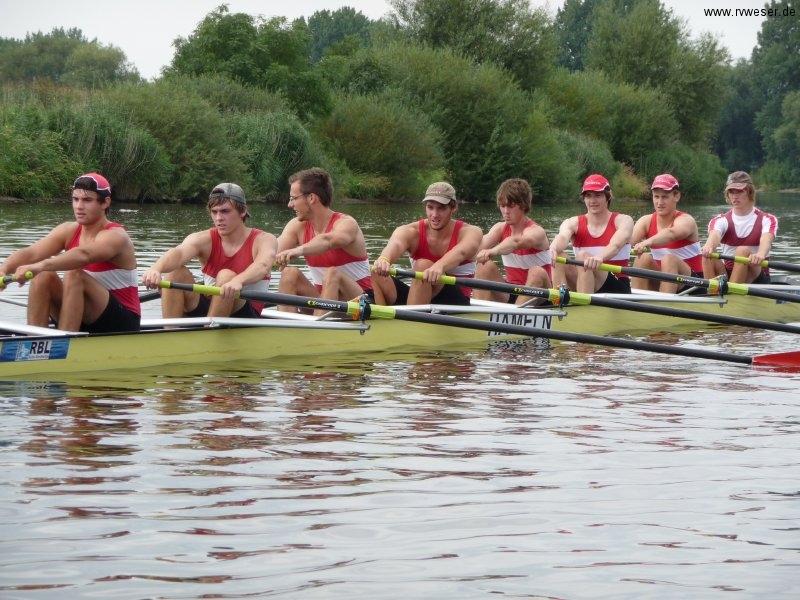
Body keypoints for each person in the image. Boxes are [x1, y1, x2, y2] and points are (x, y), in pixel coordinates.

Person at [0, 172, 140, 332]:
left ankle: (64, 340)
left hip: (122, 322)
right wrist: (4, 269)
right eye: (75, 199)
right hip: (82, 315)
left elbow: (84, 255)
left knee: (74, 274)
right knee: (43, 276)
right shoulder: (68, 230)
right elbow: (32, 253)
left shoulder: (116, 236)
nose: (79, 206)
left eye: (87, 200)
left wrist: (39, 266)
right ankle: (35, 339)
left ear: (105, 203)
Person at [141, 183, 277, 318]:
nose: (218, 218)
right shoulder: (203, 239)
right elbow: (179, 253)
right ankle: (170, 330)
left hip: (245, 314)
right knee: (174, 273)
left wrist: (238, 281)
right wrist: (156, 269)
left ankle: (209, 329)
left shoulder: (264, 239)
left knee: (226, 276)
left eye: (225, 211)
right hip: (211, 306)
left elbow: (263, 266)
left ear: (243, 211)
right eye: (214, 212)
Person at [274, 168, 373, 312]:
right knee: (289, 273)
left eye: (293, 198)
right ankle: (286, 324)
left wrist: (298, 250)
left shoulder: (346, 223)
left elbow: (327, 241)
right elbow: (271, 253)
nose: (290, 204)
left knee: (333, 273)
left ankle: (318, 323)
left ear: (311, 198)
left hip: (360, 303)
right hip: (324, 300)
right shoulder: (297, 226)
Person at [371, 181, 482, 305]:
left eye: (441, 208)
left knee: (423, 265)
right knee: (376, 271)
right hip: (421, 296)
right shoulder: (410, 231)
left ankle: (410, 316)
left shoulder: (470, 232)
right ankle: (381, 315)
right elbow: (396, 244)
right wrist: (384, 259)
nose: (434, 214)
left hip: (455, 303)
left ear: (454, 207)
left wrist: (439, 266)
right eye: (430, 207)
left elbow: (461, 252)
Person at [549, 173, 634, 294]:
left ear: (608, 196)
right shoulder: (572, 223)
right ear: (584, 198)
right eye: (588, 196)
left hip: (617, 286)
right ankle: (559, 299)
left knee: (583, 257)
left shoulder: (623, 220)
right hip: (586, 278)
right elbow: (562, 237)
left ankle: (582, 303)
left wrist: (600, 257)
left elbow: (615, 246)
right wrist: (553, 248)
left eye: (598, 195)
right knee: (558, 255)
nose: (593, 201)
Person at [473, 178, 551, 304]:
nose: (506, 211)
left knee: (536, 272)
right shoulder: (499, 228)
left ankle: (513, 314)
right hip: (512, 293)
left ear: (524, 205)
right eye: (503, 206)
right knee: (483, 266)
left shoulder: (536, 231)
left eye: (511, 206)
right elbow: (475, 248)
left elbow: (516, 242)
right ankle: (477, 312)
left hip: (542, 295)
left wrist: (493, 251)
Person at [630, 173, 703, 293]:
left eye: (664, 197)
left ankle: (663, 301)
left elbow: (672, 233)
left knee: (669, 259)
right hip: (666, 279)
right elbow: (627, 242)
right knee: (642, 258)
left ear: (676, 196)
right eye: (656, 197)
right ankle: (635, 301)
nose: (659, 202)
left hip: (694, 284)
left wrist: (647, 242)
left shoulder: (686, 220)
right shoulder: (645, 221)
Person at [701, 171, 777, 284]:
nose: (735, 196)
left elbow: (766, 240)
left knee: (743, 251)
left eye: (740, 191)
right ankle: (711, 291)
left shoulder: (767, 219)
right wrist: (709, 246)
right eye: (731, 191)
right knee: (707, 255)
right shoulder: (720, 220)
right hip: (729, 273)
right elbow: (714, 235)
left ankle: (729, 292)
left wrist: (760, 254)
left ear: (750, 192)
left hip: (756, 276)